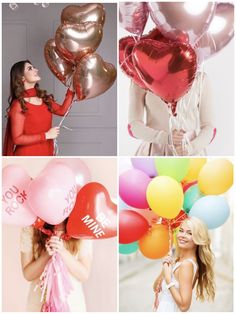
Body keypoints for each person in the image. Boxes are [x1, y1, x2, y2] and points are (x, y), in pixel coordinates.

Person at [128, 72, 216, 156]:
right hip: (154, 150)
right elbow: (133, 126)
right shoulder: (141, 76)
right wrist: (165, 138)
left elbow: (209, 127)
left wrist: (191, 148)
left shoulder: (200, 79)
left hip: (189, 150)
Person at [3, 60, 75, 156]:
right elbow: (17, 139)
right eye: (30, 68)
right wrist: (46, 135)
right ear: (22, 77)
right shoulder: (19, 104)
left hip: (47, 152)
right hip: (27, 157)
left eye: (34, 67)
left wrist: (71, 90)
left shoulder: (44, 99)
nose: (36, 70)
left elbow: (63, 111)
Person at [20, 220, 93, 312]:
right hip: (38, 304)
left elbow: (84, 274)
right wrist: (46, 254)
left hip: (72, 303)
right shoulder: (31, 227)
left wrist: (62, 251)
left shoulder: (82, 227)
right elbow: (28, 274)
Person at [153, 217, 215, 312]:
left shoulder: (187, 265)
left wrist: (169, 279)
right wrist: (165, 268)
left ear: (198, 239)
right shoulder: (180, 261)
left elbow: (184, 306)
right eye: (181, 231)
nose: (182, 235)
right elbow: (156, 288)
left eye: (189, 233)